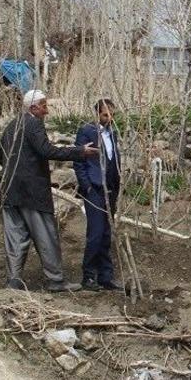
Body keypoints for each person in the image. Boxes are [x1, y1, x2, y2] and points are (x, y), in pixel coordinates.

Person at [0, 89, 95, 292]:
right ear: (33, 108)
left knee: (15, 237)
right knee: (46, 236)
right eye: (44, 106)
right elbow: (47, 151)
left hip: (11, 191)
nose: (46, 111)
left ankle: (13, 281)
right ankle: (55, 280)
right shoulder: (33, 124)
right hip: (32, 192)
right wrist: (80, 152)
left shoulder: (12, 125)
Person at [74, 99, 122, 292]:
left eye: (112, 115)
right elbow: (79, 161)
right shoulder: (87, 131)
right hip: (94, 188)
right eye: (105, 115)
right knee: (95, 234)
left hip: (110, 189)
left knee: (105, 234)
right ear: (97, 114)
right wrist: (86, 186)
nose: (109, 118)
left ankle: (105, 276)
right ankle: (88, 276)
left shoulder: (113, 133)